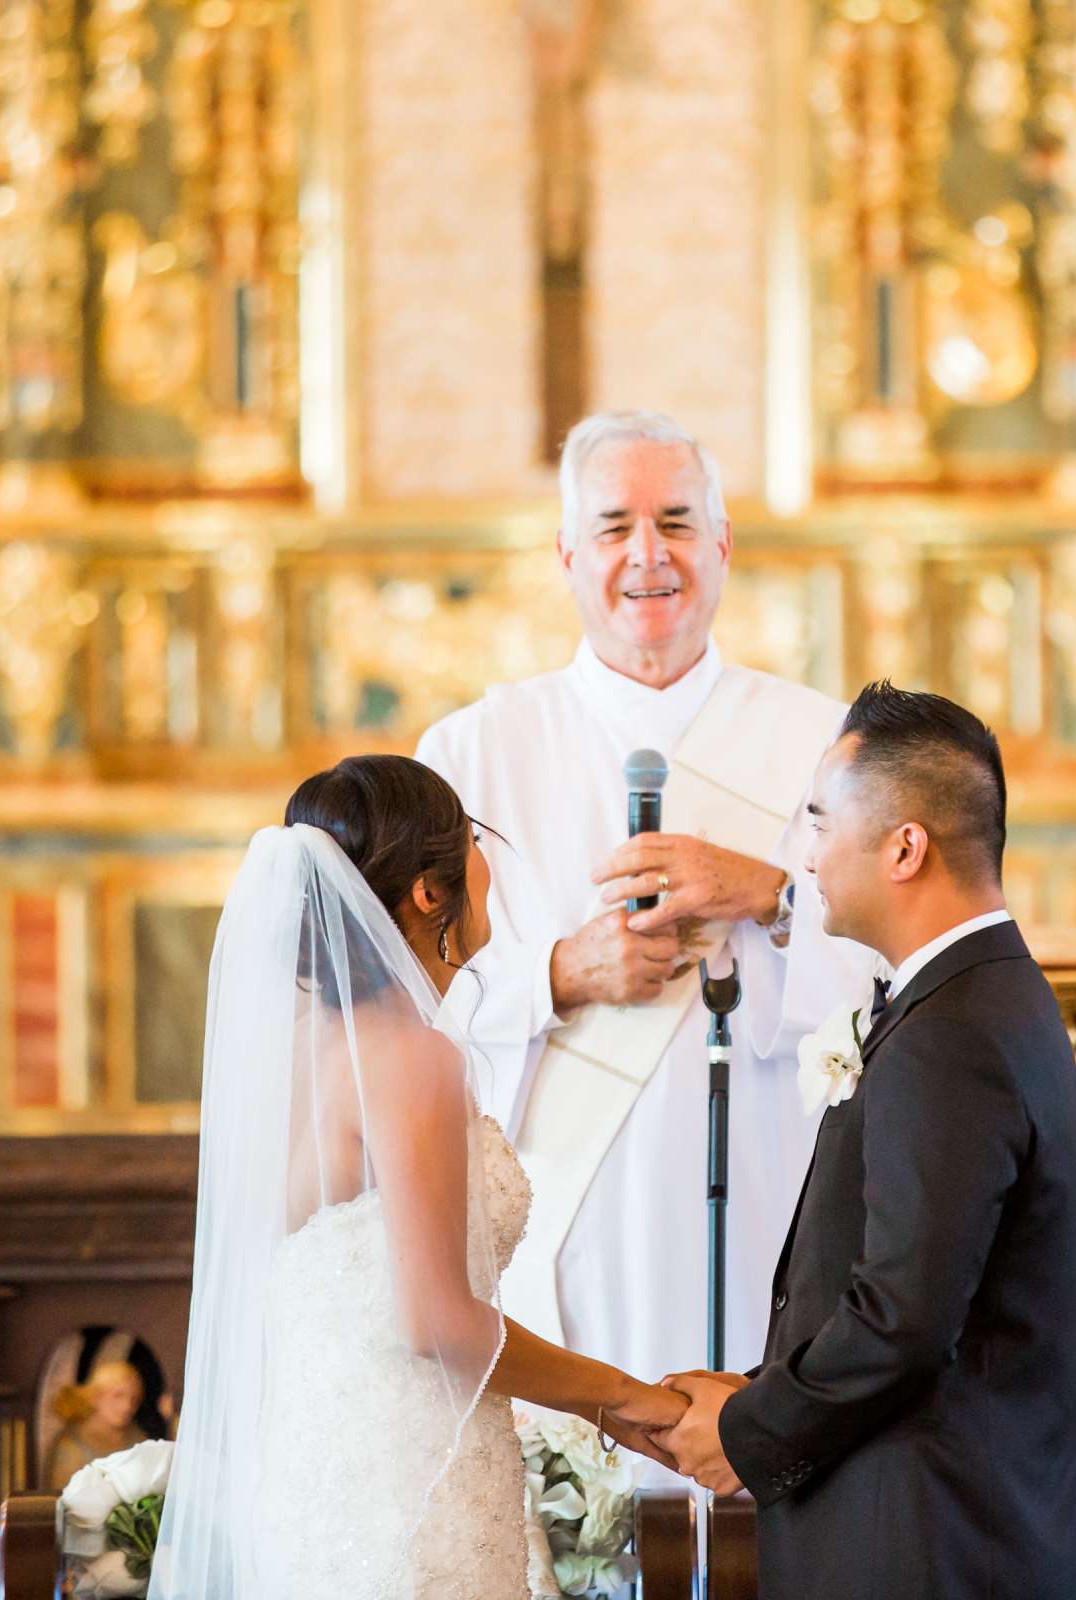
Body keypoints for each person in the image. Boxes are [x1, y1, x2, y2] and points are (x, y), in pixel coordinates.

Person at [414, 411, 877, 1446]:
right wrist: (560, 973)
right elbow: (404, 1005)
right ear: (568, 554)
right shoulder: (474, 750)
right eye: (615, 526)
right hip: (561, 1212)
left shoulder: (829, 744)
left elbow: (900, 971)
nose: (648, 555)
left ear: (722, 546)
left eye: (677, 522)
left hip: (771, 1183)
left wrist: (771, 893)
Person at [150, 755, 687, 1600]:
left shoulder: (298, 1049)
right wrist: (617, 1395)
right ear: (432, 895)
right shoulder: (409, 1057)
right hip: (409, 1493)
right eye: (473, 841)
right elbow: (436, 1321)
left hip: (318, 1479)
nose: (485, 861)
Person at [654, 683, 1076, 1600]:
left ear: (905, 846)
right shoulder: (973, 997)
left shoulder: (953, 1032)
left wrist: (749, 1432)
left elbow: (905, 1316)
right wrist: (755, 1391)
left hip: (930, 1545)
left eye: (819, 823)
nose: (806, 858)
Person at [41, 1360, 149, 1492]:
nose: (127, 1406)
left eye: (134, 1399)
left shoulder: (137, 1438)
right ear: (96, 1396)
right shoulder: (69, 1445)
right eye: (118, 1396)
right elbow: (62, 1500)